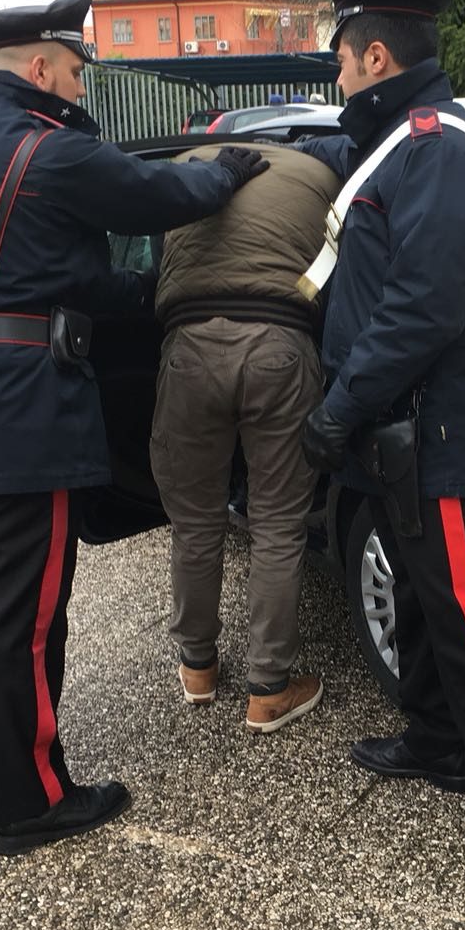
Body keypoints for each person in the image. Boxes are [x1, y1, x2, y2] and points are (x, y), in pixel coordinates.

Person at [0, 0, 268, 857]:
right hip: (22, 401)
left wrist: (143, 294)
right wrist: (226, 173)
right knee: (23, 606)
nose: (80, 89)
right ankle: (29, 799)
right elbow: (154, 192)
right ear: (40, 67)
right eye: (75, 72)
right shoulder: (48, 148)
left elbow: (41, 270)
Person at [298, 0, 465, 899]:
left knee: (462, 607)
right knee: (413, 589)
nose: (337, 77)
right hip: (393, 423)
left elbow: (424, 308)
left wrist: (339, 405)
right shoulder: (398, 146)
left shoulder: (439, 152)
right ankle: (439, 737)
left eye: (342, 60)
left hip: (431, 426)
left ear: (376, 57)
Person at [148, 144, 338, 730]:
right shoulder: (321, 175)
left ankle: (198, 667)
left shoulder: (188, 166)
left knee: (195, 522)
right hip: (280, 344)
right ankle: (269, 689)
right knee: (277, 523)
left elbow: (157, 260)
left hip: (189, 346)